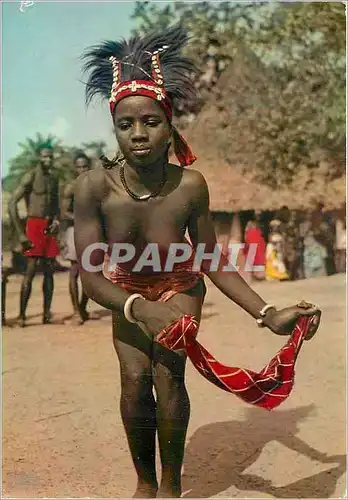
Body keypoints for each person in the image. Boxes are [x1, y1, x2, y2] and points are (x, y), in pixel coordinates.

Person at [76, 25, 320, 498]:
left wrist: (267, 314)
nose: (138, 133)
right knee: (133, 381)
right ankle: (144, 484)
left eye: (150, 121)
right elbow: (89, 273)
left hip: (181, 286)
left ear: (170, 126)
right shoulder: (93, 187)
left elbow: (209, 257)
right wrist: (135, 307)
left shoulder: (190, 185)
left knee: (167, 377)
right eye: (125, 125)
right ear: (114, 129)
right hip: (125, 292)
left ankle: (170, 485)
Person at [8, 143, 60, 327]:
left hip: (48, 227)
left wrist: (56, 220)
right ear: (39, 157)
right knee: (30, 271)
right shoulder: (31, 176)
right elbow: (12, 203)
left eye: (50, 156)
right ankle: (22, 316)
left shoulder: (54, 178)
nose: (48, 160)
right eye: (44, 156)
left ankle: (46, 314)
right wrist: (21, 234)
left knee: (49, 272)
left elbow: (56, 205)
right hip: (34, 225)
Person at [60, 152, 98, 324]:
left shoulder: (94, 186)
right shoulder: (71, 186)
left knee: (91, 273)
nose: (82, 169)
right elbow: (64, 212)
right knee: (75, 271)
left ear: (88, 167)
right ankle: (76, 311)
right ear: (75, 167)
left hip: (92, 231)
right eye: (79, 166)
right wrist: (80, 218)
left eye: (85, 166)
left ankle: (82, 308)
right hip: (75, 230)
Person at [243, 213, 266, 281]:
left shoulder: (251, 231)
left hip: (253, 247)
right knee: (257, 261)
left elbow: (246, 239)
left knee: (253, 262)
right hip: (255, 247)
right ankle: (257, 276)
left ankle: (254, 277)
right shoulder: (256, 230)